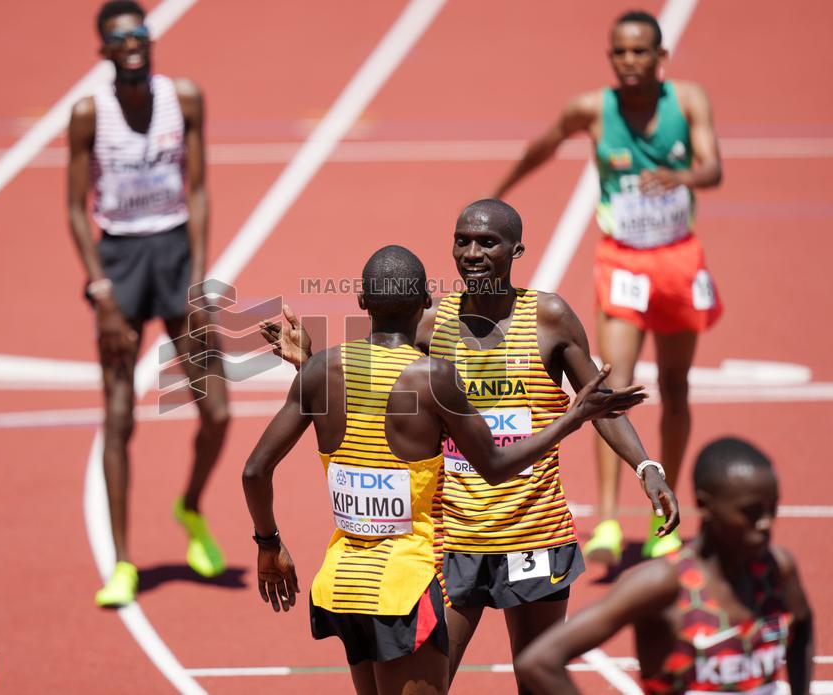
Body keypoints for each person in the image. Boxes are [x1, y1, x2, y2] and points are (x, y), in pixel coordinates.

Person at [261, 200, 680, 692]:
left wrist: (647, 467)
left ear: (517, 249)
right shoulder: (428, 325)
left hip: (534, 534)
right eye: (462, 241)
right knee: (429, 685)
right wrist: (308, 366)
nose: (472, 252)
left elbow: (599, 404)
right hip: (451, 541)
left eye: (488, 242)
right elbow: (369, 390)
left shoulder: (549, 318)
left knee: (537, 679)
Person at [491, 9, 723, 564]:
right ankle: (610, 522)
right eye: (619, 53)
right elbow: (542, 146)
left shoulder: (687, 101)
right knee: (605, 384)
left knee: (676, 384)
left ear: (660, 56)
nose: (629, 62)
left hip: (678, 259)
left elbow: (713, 169)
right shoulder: (592, 109)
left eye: (640, 52)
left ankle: (659, 511)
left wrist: (683, 176)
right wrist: (499, 195)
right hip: (622, 260)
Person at [67, 0, 229, 605]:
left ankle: (189, 507)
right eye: (120, 37)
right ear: (104, 50)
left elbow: (202, 188)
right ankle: (123, 564)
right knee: (119, 416)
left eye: (140, 33)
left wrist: (200, 279)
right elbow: (73, 210)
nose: (133, 43)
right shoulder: (89, 114)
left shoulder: (183, 99)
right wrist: (101, 292)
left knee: (215, 410)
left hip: (173, 256)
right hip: (119, 263)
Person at [515, 437, 814, 695]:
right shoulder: (667, 583)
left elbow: (803, 628)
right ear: (704, 505)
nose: (765, 524)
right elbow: (540, 661)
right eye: (750, 512)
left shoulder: (777, 569)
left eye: (772, 509)